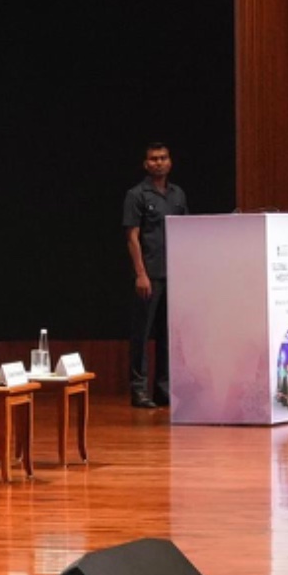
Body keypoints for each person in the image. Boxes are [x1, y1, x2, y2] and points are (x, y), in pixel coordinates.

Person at [123, 142, 186, 407]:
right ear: (146, 164)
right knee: (142, 333)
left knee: (168, 335)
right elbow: (132, 236)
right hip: (150, 274)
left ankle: (163, 388)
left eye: (163, 158)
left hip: (174, 274)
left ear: (170, 162)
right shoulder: (137, 194)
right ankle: (139, 389)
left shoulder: (177, 194)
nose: (159, 162)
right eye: (153, 159)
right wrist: (141, 273)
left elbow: (185, 233)